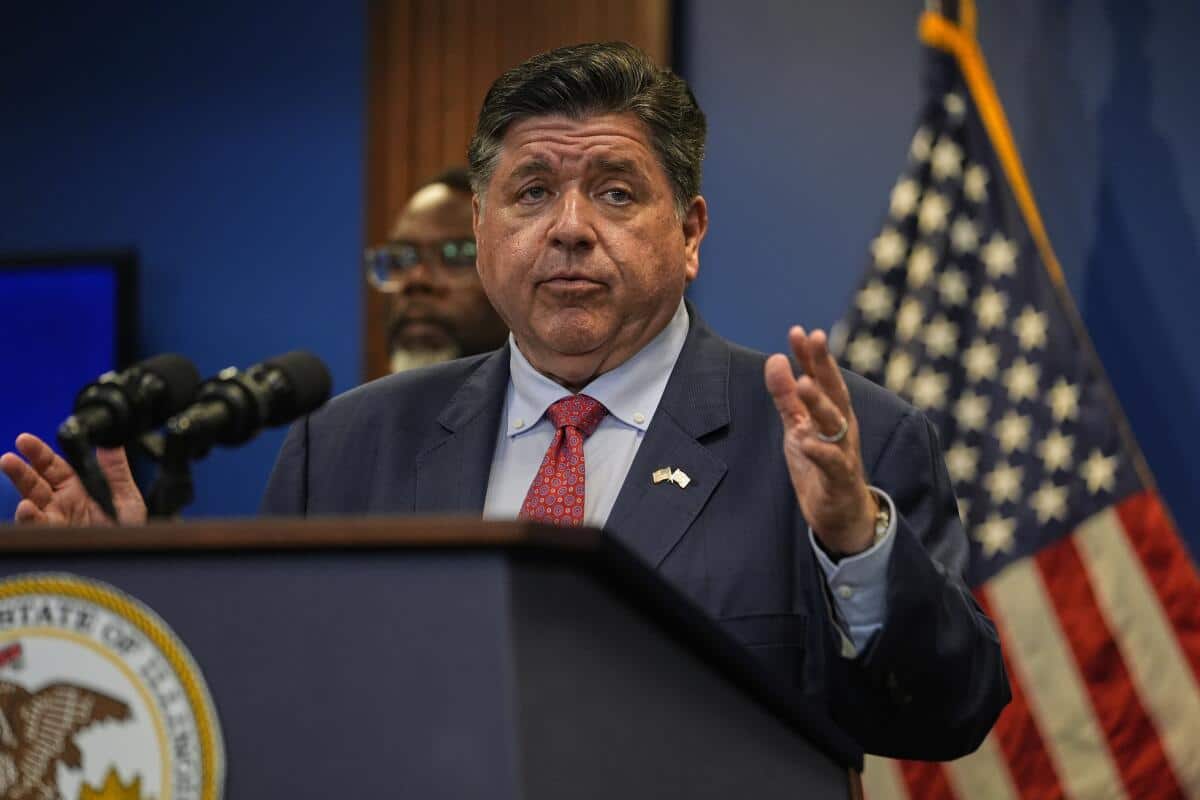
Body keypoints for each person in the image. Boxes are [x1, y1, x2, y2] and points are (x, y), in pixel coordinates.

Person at [1, 42, 1008, 759]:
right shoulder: (345, 444)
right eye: (531, 193)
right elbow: (275, 707)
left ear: (690, 230)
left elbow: (945, 718)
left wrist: (854, 539)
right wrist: (131, 589)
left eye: (615, 191)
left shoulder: (843, 438)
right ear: (483, 227)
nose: (569, 229)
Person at [366, 166, 509, 373]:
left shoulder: (560, 403)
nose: (416, 280)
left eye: (456, 256)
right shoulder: (365, 405)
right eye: (400, 258)